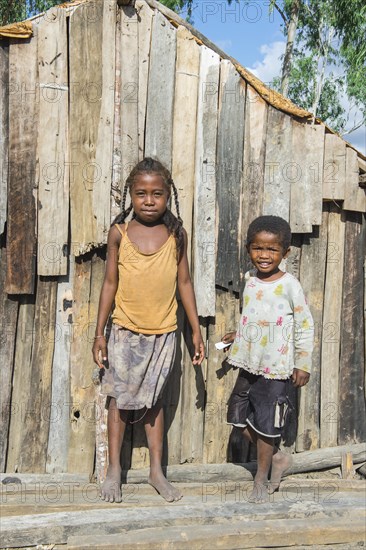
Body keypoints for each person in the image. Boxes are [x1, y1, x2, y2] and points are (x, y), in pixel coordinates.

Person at [92, 157, 204, 503]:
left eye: (157, 193)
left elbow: (184, 283)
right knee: (120, 403)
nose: (149, 201)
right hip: (125, 332)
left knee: (154, 403)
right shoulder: (120, 234)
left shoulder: (176, 235)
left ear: (168, 195)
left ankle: (157, 470)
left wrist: (196, 331)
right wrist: (99, 333)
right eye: (141, 193)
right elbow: (109, 282)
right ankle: (114, 470)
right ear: (131, 194)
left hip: (165, 332)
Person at [221, 215, 314, 503]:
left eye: (272, 250)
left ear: (285, 253)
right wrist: (239, 334)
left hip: (277, 368)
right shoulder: (249, 279)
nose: (264, 255)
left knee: (266, 424)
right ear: (248, 248)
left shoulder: (290, 285)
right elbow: (258, 316)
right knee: (237, 416)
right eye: (258, 248)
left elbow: (305, 324)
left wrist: (302, 363)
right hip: (249, 362)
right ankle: (277, 457)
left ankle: (260, 478)